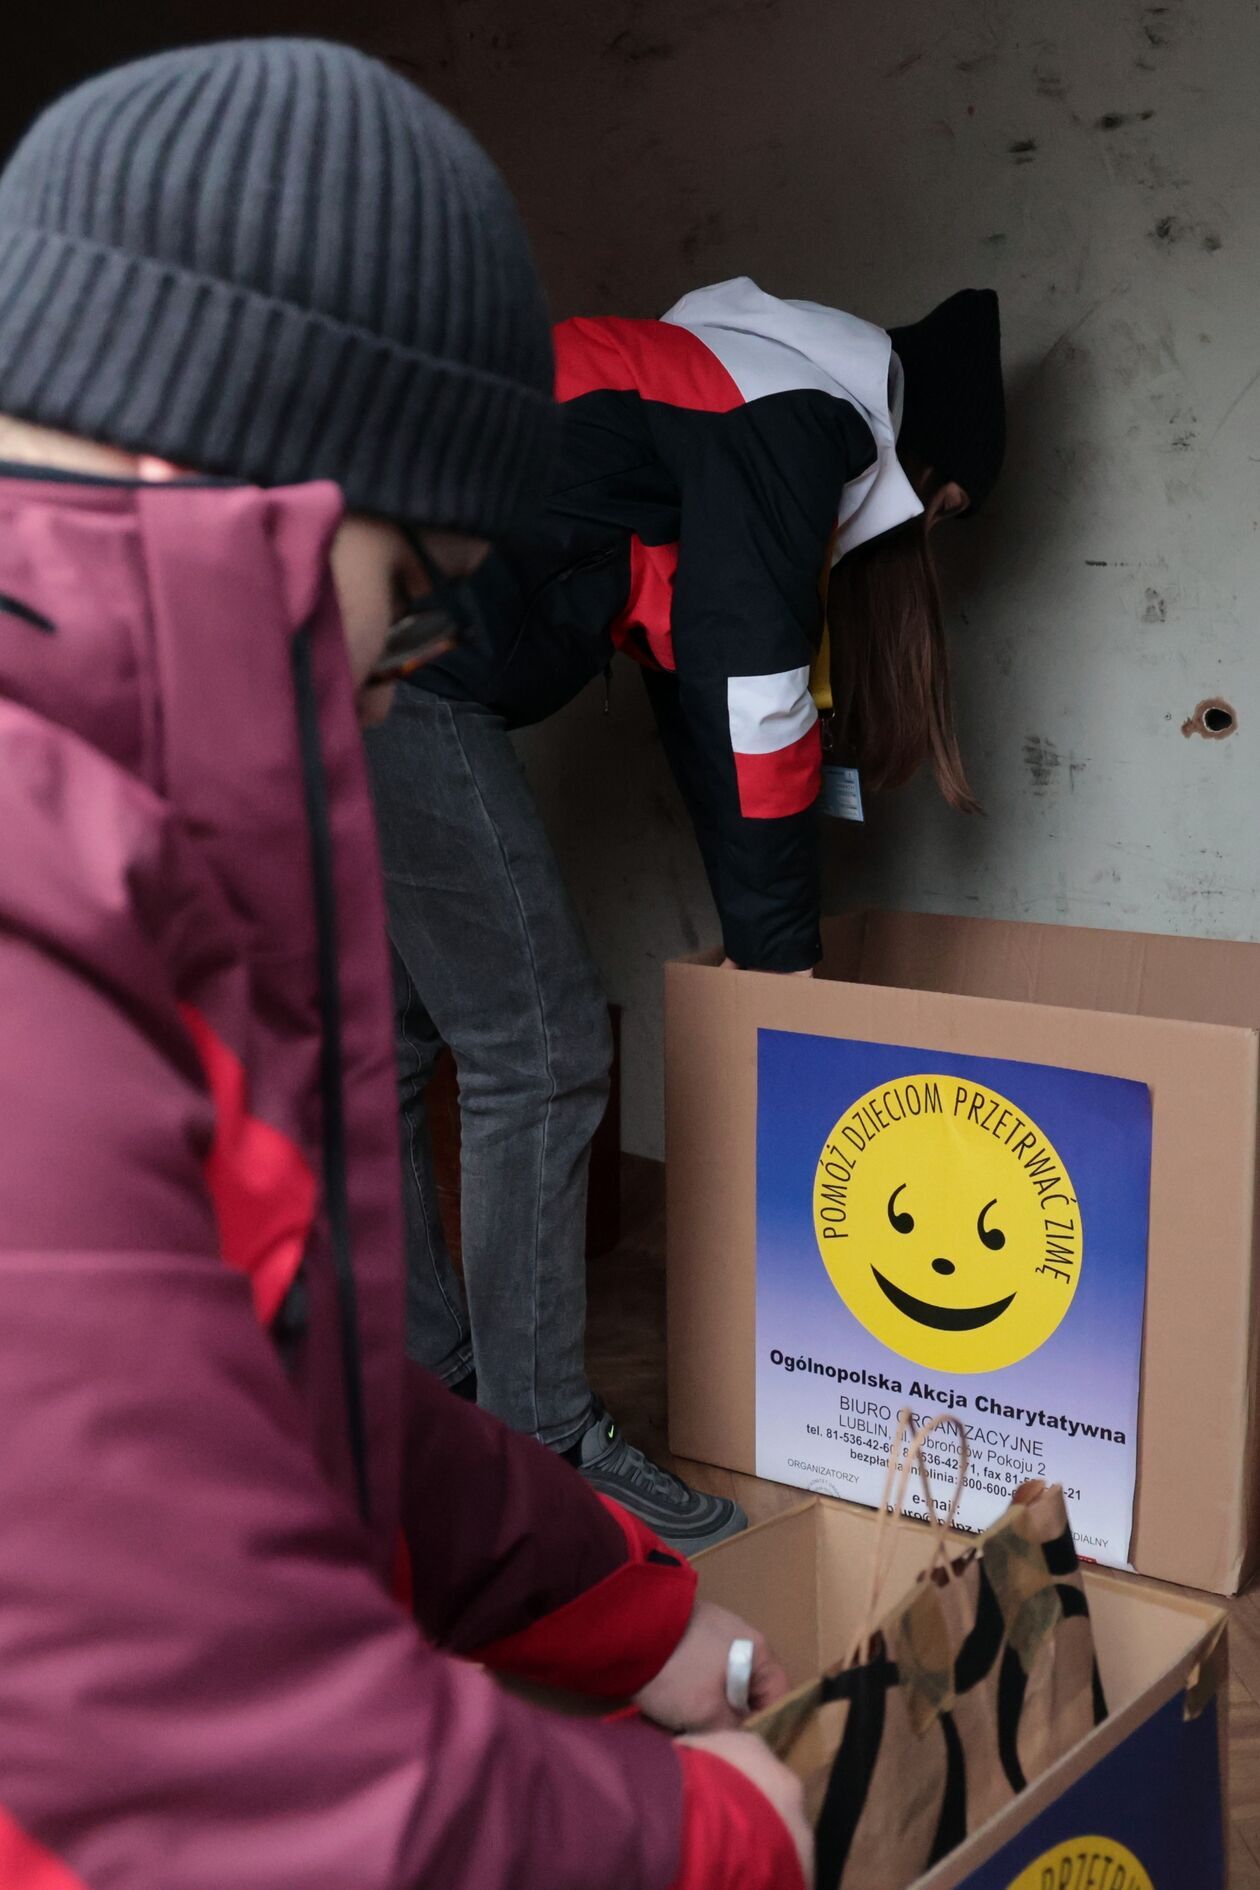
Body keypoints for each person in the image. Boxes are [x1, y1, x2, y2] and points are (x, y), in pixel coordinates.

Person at [0, 40, 813, 1890]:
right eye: (418, 586)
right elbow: (188, 1758)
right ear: (239, 464)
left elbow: (291, 1400)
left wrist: (622, 1615)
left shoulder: (130, 831)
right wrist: (710, 1848)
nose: (410, 666)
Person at [367, 276, 1006, 1545]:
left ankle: (425, 1390)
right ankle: (541, 1451)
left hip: (323, 628)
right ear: (923, 455)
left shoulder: (709, 379)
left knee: (387, 1047)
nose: (924, 529)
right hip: (388, 661)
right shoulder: (794, 424)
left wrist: (765, 953)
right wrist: (781, 981)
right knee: (542, 1053)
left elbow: (705, 708)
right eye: (944, 504)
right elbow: (753, 707)